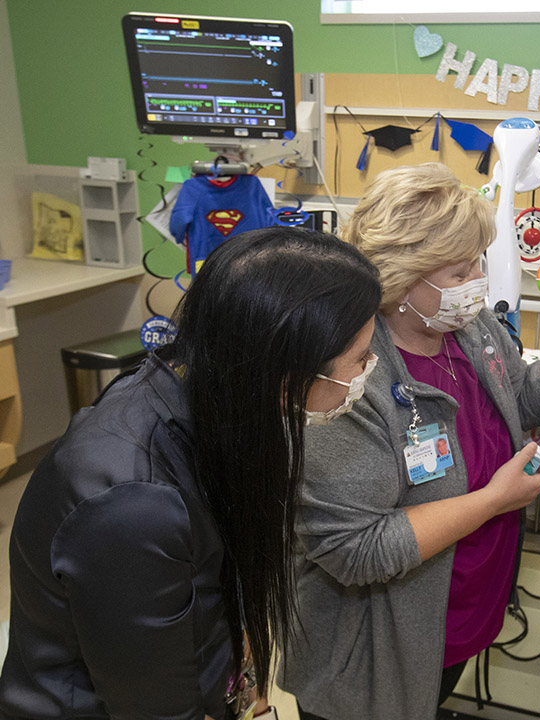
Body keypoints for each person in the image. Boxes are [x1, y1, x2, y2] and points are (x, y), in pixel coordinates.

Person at [277, 163, 540, 720]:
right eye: (458, 269)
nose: (477, 282)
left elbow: (518, 397)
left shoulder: (469, 329)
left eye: (479, 263)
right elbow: (356, 550)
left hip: (462, 610)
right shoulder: (347, 372)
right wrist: (494, 500)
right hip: (375, 652)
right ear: (397, 275)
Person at [0, 228, 382, 719]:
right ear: (287, 373)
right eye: (360, 359)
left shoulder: (206, 392)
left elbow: (217, 587)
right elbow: (154, 706)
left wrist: (245, 688)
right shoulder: (134, 504)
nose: (368, 371)